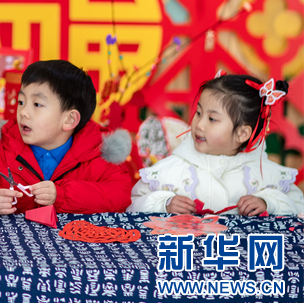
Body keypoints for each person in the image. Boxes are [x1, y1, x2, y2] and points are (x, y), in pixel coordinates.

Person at [0, 60, 133, 215]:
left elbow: (120, 197)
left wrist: (62, 195)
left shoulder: (99, 154)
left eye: (37, 104)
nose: (23, 112)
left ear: (69, 119)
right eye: (21, 102)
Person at [129, 74, 304, 215]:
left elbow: (299, 210)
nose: (199, 124)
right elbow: (133, 206)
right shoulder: (172, 169)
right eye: (198, 113)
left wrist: (268, 203)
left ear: (242, 133)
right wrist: (165, 204)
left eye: (212, 119)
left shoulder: (267, 173)